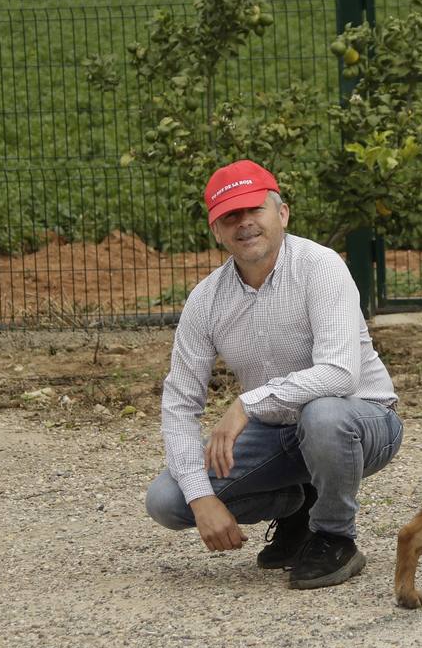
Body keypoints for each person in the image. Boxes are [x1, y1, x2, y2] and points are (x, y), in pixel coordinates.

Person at [145, 159, 402, 590]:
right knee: (168, 501)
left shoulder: (321, 266)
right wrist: (201, 497)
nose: (244, 223)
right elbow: (179, 403)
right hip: (280, 434)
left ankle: (335, 537)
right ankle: (297, 508)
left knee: (322, 415)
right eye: (230, 216)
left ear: (281, 214)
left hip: (363, 421)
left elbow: (339, 374)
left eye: (254, 210)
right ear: (217, 231)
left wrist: (248, 401)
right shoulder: (206, 299)